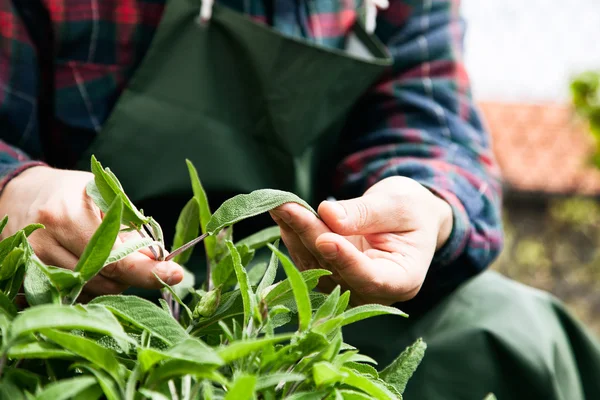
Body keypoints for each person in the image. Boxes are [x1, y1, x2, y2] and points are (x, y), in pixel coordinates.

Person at [1, 1, 599, 399]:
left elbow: (427, 119)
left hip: (297, 274)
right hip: (59, 269)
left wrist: (423, 203)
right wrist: (16, 190)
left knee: (518, 333)